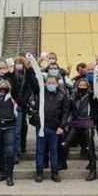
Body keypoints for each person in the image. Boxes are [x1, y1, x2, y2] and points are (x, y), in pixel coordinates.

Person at [27, 54, 70, 183]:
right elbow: (31, 79)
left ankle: (55, 173)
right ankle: (39, 173)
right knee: (40, 151)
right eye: (48, 82)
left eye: (53, 82)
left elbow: (65, 112)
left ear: (57, 83)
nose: (51, 84)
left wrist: (61, 126)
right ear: (45, 83)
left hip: (55, 128)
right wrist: (32, 66)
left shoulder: (62, 95)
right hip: (41, 127)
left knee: (54, 151)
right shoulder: (40, 92)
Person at [65, 77, 98, 180]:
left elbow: (96, 109)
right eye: (80, 85)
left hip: (87, 121)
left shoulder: (91, 96)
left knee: (90, 146)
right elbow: (69, 110)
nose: (82, 87)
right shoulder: (72, 96)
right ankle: (61, 164)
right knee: (66, 142)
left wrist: (93, 121)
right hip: (75, 122)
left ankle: (93, 170)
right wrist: (67, 122)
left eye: (84, 85)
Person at [0, 80, 18, 186]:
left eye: (5, 87)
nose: (3, 89)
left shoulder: (12, 98)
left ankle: (9, 175)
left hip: (9, 127)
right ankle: (2, 172)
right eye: (1, 87)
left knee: (9, 151)